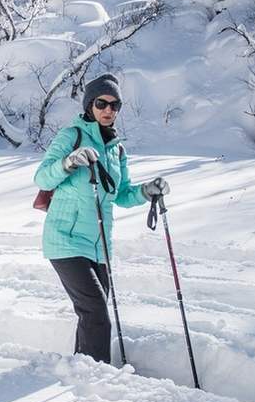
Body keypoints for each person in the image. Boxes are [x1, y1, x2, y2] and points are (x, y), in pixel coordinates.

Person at [34, 74, 168, 363]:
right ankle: (98, 377)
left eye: (115, 105)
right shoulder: (71, 136)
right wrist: (68, 162)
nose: (108, 110)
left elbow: (120, 194)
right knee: (96, 313)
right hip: (65, 241)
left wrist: (147, 191)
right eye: (101, 103)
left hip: (99, 247)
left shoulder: (116, 149)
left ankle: (81, 370)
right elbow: (42, 176)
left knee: (92, 313)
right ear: (89, 105)